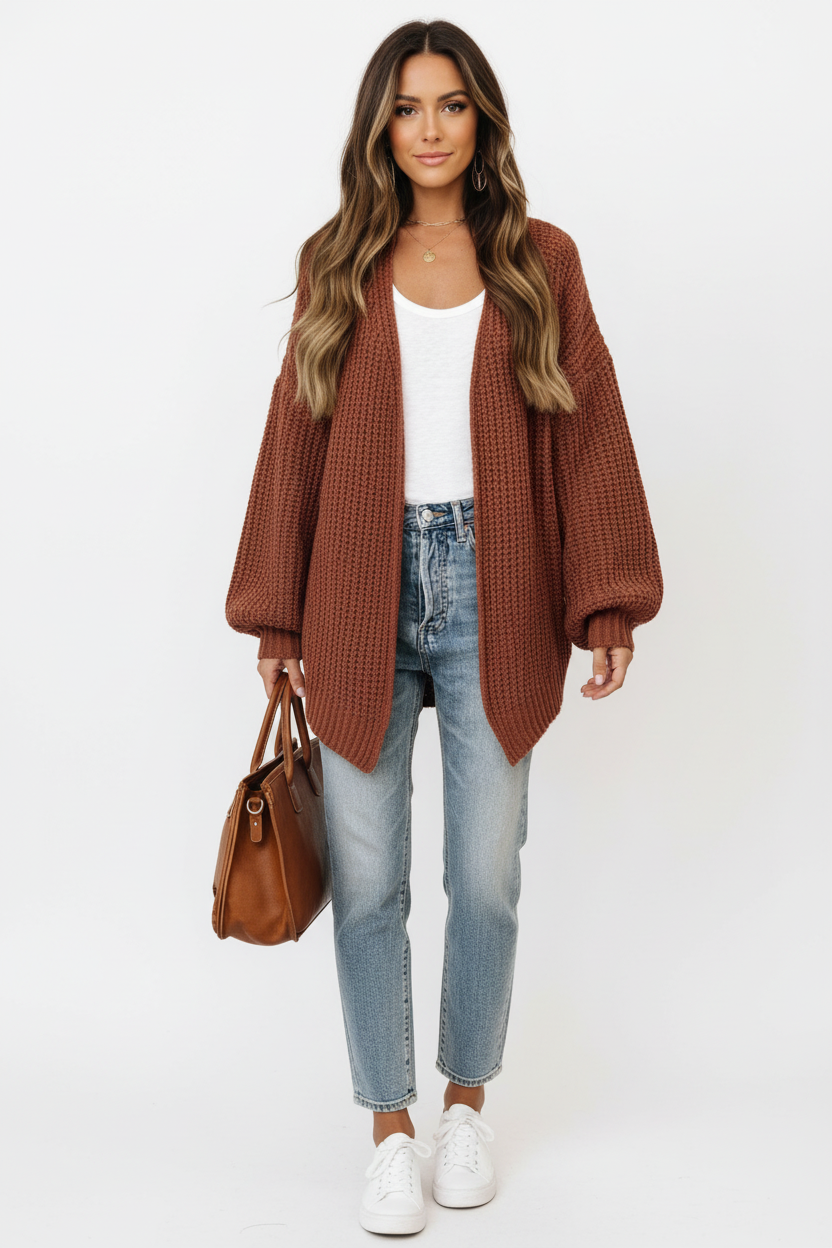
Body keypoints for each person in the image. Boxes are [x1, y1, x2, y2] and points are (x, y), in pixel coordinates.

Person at [225, 18, 663, 1236]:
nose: (429, 129)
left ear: (482, 120)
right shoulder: (337, 259)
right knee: (367, 884)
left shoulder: (540, 259)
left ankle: (466, 1107)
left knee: (486, 877)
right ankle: (390, 1129)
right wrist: (274, 613)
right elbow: (294, 433)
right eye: (408, 107)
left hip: (496, 586)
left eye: (452, 105)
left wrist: (607, 595)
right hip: (354, 593)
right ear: (380, 126)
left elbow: (586, 426)